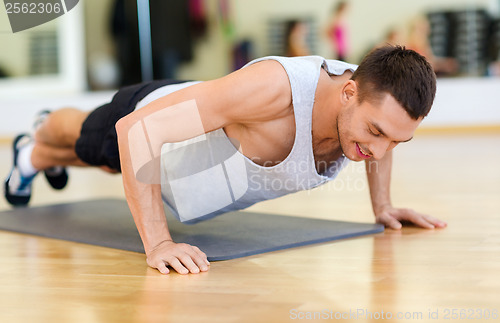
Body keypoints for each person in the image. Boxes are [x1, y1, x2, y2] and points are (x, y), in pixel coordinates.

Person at [4, 46, 447, 275]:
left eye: (397, 141)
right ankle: (39, 139)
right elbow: (135, 132)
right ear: (348, 93)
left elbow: (381, 139)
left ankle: (36, 156)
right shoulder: (275, 91)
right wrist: (159, 243)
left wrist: (383, 206)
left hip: (184, 168)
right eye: (375, 132)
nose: (381, 150)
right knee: (90, 140)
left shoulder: (368, 105)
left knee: (107, 163)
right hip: (148, 117)